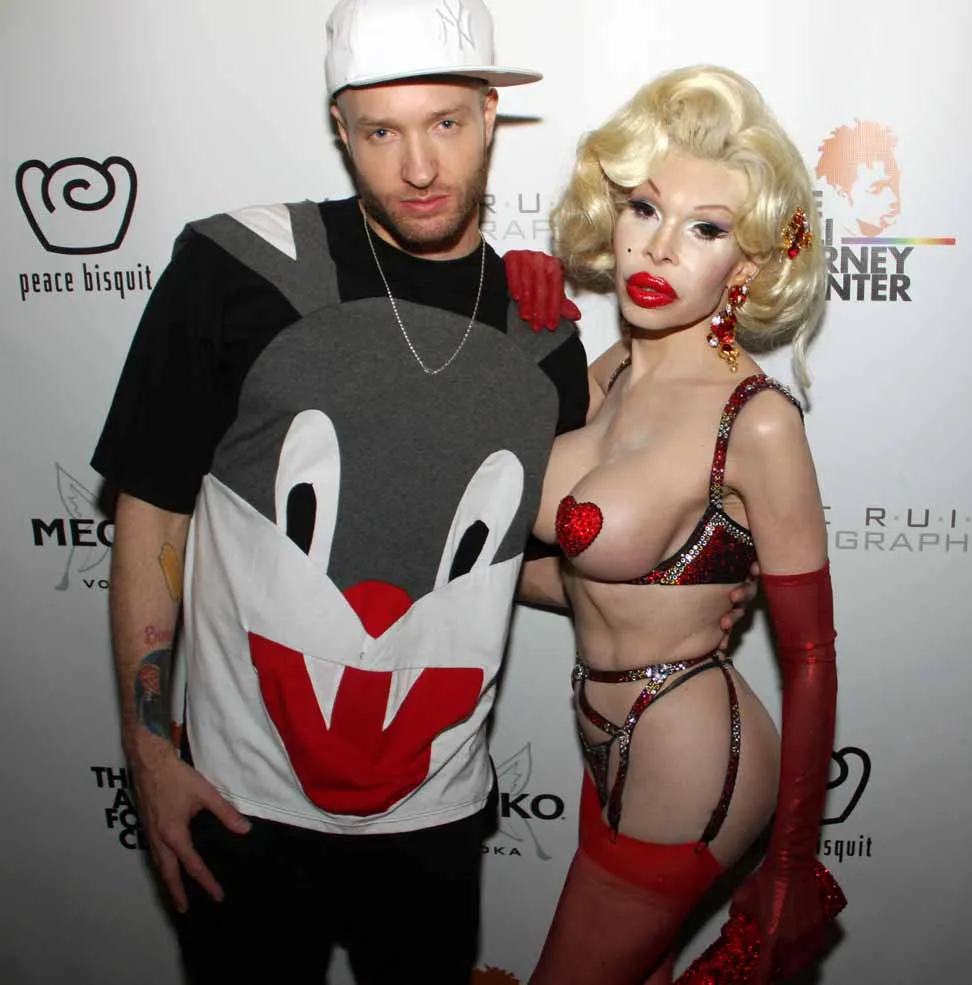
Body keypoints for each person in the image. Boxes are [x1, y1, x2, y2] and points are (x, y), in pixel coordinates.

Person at [90, 3, 753, 982]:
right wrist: (150, 755)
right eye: (380, 131)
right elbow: (152, 509)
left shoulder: (542, 336)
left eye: (444, 122)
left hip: (436, 817)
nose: (417, 166)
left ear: (489, 115)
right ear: (341, 130)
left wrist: (667, 596)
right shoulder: (232, 268)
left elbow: (514, 561)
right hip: (238, 805)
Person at [518, 66, 844, 985]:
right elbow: (575, 572)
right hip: (603, 736)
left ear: (749, 266)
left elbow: (810, 656)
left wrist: (792, 860)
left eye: (706, 229)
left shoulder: (757, 420)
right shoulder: (611, 368)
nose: (658, 249)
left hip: (692, 751)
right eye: (644, 209)